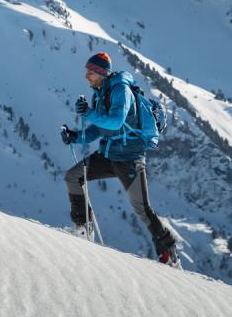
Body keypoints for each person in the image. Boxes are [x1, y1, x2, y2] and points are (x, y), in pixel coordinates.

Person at [60, 52, 178, 264]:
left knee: (142, 208)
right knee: (73, 177)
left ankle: (170, 254)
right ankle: (83, 229)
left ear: (101, 73)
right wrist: (76, 136)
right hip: (108, 154)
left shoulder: (120, 91)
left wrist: (88, 112)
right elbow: (100, 127)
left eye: (90, 72)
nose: (86, 76)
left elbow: (114, 122)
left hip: (130, 159)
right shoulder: (100, 91)